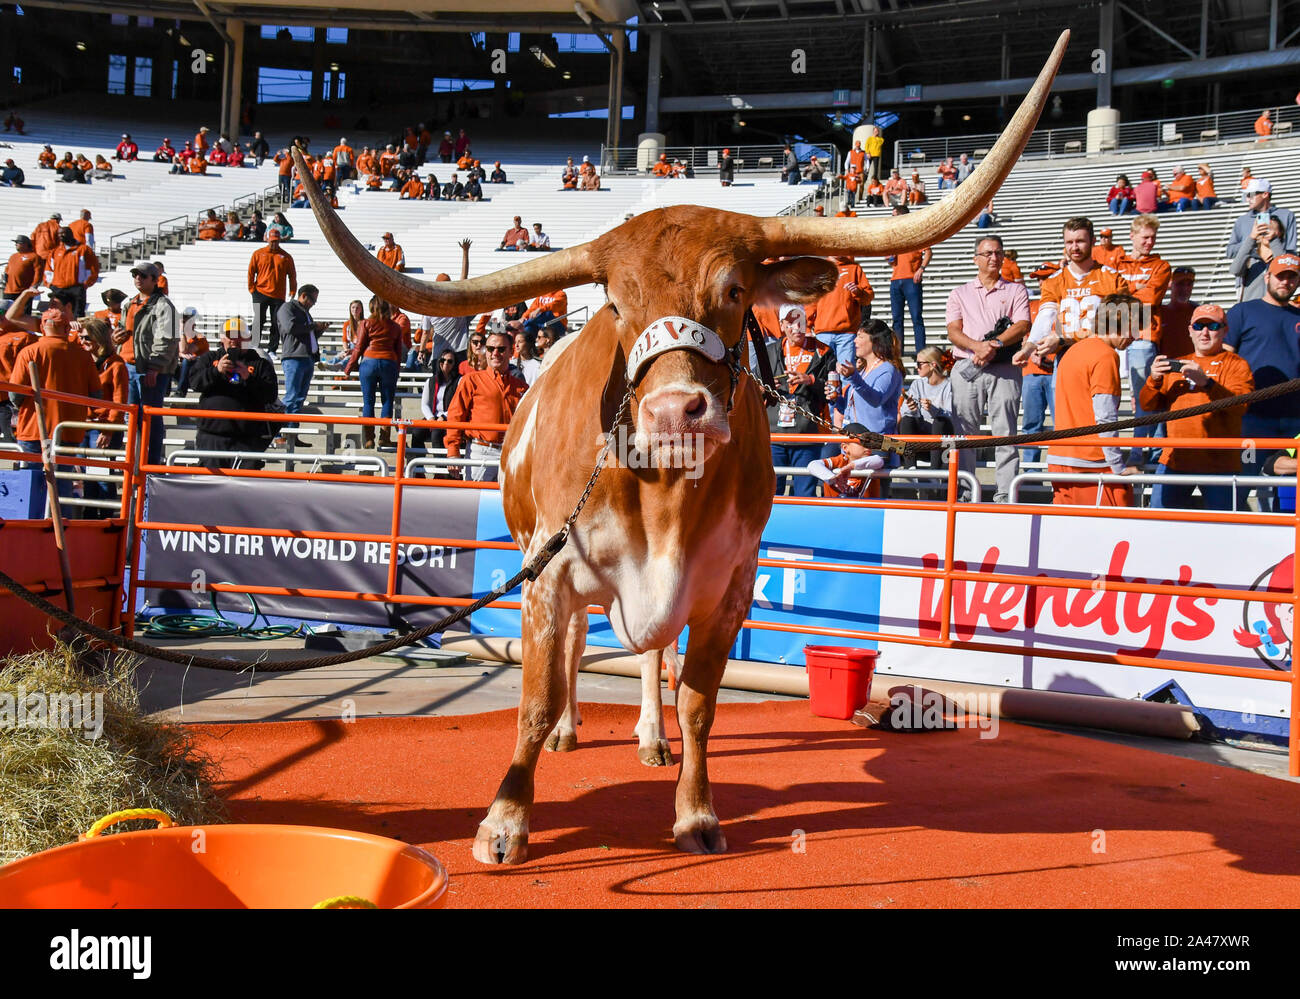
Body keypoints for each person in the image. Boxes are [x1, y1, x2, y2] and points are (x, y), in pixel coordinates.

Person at [1139, 304, 1254, 510]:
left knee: (1225, 528)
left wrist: (1208, 384)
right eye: (1199, 326)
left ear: (1225, 330)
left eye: (1212, 326)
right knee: (1160, 523)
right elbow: (1148, 405)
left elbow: (1241, 405)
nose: (1205, 332)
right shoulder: (1178, 363)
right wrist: (1154, 379)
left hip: (1220, 463)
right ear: (1190, 330)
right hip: (1176, 459)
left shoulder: (1237, 364)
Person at [945, 234, 1031, 503]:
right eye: (988, 253)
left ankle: (1005, 493)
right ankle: (965, 491)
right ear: (976, 259)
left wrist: (991, 344)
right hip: (967, 365)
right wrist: (977, 347)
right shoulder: (959, 293)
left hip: (1003, 367)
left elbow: (1022, 325)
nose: (994, 258)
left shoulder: (1016, 290)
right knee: (964, 433)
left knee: (1005, 432)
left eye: (998, 253)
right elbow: (952, 331)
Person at [1044, 293, 1140, 506]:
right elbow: (1105, 418)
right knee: (1110, 533)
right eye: (1135, 326)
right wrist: (1118, 468)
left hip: (1060, 458)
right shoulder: (1105, 355)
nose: (1137, 335)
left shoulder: (1074, 350)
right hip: (1089, 463)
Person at [1225, 254, 1300, 510]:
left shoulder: (1298, 316)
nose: (1286, 282)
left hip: (1294, 420)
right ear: (1267, 276)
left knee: (1290, 484)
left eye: (1292, 277)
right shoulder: (1243, 311)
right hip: (1251, 417)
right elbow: (1224, 360)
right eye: (1281, 276)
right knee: (1240, 483)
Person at [8, 308, 101, 514]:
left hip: (35, 430)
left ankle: (31, 526)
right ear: (68, 328)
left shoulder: (29, 352)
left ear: (43, 327)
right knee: (62, 484)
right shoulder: (82, 356)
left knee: (31, 483)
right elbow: (96, 396)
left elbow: (15, 396)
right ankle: (61, 530)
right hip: (68, 430)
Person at [758, 304, 834, 496]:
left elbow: (833, 392)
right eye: (790, 323)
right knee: (771, 492)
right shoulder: (769, 351)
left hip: (806, 433)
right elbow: (751, 385)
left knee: (805, 493)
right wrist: (763, 388)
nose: (796, 328)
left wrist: (811, 380)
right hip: (775, 434)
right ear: (782, 325)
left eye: (800, 322)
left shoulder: (823, 351)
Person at [1113, 214, 1171, 463]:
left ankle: (1140, 452)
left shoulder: (1161, 265)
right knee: (1110, 395)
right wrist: (1133, 292)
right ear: (1132, 235)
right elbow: (1109, 294)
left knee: (1145, 396)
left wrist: (1125, 294)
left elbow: (1151, 298)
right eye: (1145, 237)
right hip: (1114, 334)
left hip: (1143, 337)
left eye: (1153, 237)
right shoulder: (1116, 262)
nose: (1150, 242)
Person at [825, 320, 904, 496]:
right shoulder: (863, 370)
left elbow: (876, 399)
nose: (854, 341)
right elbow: (851, 407)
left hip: (877, 444)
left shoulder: (888, 370)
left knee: (874, 497)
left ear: (875, 341)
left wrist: (853, 377)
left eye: (860, 336)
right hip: (856, 444)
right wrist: (836, 399)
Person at [188, 317, 279, 470]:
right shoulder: (210, 358)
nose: (234, 341)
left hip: (247, 438)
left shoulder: (260, 363)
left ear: (248, 338)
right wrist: (216, 371)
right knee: (211, 485)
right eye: (230, 336)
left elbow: (270, 395)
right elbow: (194, 383)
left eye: (240, 336)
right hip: (212, 436)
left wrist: (248, 378)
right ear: (222, 338)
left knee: (243, 487)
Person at [444, 329, 528, 482]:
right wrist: (453, 450)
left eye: (501, 349)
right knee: (474, 503)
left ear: (511, 352)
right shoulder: (471, 380)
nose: (495, 353)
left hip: (512, 453)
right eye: (490, 348)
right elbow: (455, 416)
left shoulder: (522, 387)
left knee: (509, 505)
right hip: (480, 451)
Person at [124, 262, 178, 466]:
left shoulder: (165, 306)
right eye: (135, 275)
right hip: (130, 366)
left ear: (155, 280)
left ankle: (151, 466)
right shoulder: (130, 304)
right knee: (133, 421)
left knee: (150, 419)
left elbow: (167, 339)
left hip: (149, 369)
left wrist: (155, 367)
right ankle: (134, 463)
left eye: (143, 275)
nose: (138, 278)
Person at [79, 317, 130, 514]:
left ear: (99, 340)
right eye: (81, 337)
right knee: (88, 476)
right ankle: (89, 517)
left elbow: (119, 400)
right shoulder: (83, 361)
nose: (81, 342)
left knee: (101, 476)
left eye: (86, 338)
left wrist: (109, 429)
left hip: (102, 427)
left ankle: (106, 520)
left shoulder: (116, 365)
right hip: (83, 425)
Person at [343, 297, 407, 449]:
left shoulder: (365, 323)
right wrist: (396, 370)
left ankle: (369, 438)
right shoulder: (395, 327)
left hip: (369, 363)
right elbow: (398, 352)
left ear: (371, 307)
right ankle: (384, 437)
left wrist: (349, 368)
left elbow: (358, 348)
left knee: (368, 402)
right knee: (387, 402)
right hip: (389, 363)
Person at [808, 255, 872, 366]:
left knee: (846, 374)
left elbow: (868, 298)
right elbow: (811, 300)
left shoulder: (854, 268)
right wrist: (807, 327)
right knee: (822, 374)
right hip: (823, 333)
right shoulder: (819, 269)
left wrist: (858, 291)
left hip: (847, 333)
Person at [416, 239, 473, 360]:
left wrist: (421, 350)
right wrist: (465, 252)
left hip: (439, 353)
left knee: (439, 379)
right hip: (458, 352)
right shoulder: (457, 301)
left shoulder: (429, 307)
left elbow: (425, 333)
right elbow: (464, 278)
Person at [899, 346, 955, 468]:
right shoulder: (917, 384)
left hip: (942, 442)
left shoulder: (949, 385)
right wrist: (912, 409)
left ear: (932, 365)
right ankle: (910, 467)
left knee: (940, 422)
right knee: (907, 420)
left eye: (919, 364)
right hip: (922, 440)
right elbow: (903, 412)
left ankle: (935, 469)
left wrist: (933, 409)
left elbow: (952, 416)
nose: (916, 367)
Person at [277, 284, 326, 422]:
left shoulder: (305, 312)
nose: (313, 304)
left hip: (306, 357)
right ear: (303, 295)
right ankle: (281, 432)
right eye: (312, 300)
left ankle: (292, 433)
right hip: (294, 357)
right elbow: (290, 327)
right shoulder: (288, 308)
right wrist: (313, 326)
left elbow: (308, 335)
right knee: (292, 396)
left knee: (299, 399)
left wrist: (319, 329)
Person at [887, 205, 931, 351]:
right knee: (896, 319)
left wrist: (921, 269)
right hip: (895, 280)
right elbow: (891, 260)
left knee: (916, 318)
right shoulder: (893, 236)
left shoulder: (915, 234)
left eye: (894, 215)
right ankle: (898, 352)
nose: (892, 218)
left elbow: (928, 252)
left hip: (911, 280)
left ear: (902, 216)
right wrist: (889, 258)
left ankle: (921, 352)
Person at [247, 230, 296, 357]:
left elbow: (292, 275)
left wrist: (292, 290)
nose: (274, 243)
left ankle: (272, 349)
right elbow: (251, 272)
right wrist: (251, 288)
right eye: (272, 240)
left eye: (276, 241)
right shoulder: (258, 254)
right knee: (259, 319)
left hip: (278, 295)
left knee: (276, 322)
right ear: (267, 239)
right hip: (260, 292)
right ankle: (254, 344)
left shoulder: (286, 256)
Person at [806, 423, 886, 498]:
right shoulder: (840, 460)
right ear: (845, 448)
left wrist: (851, 466)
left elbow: (879, 461)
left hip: (865, 511)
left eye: (869, 442)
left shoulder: (871, 462)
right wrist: (833, 478)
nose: (867, 446)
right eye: (861, 441)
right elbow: (813, 464)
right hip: (836, 510)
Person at [411, 350, 462, 467]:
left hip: (450, 418)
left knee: (436, 433)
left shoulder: (460, 381)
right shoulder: (431, 381)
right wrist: (431, 418)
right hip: (433, 417)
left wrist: (444, 416)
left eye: (450, 361)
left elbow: (458, 405)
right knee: (416, 432)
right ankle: (417, 469)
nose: (446, 363)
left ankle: (441, 470)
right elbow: (425, 404)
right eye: (443, 360)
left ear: (455, 364)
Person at [1227, 179, 1296, 264]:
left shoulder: (1286, 215)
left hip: (1276, 273)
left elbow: (1291, 250)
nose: (1248, 199)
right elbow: (1230, 252)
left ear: (1265, 194)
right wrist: (1252, 243)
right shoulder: (1241, 220)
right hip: (1250, 275)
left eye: (1251, 194)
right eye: (1247, 195)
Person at [44, 227, 99, 317]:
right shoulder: (55, 252)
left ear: (71, 234)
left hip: (77, 288)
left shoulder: (84, 250)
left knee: (77, 315)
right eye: (59, 234)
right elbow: (48, 270)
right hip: (59, 289)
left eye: (63, 233)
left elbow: (93, 269)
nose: (60, 235)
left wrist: (85, 284)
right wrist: (50, 285)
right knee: (57, 315)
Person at [1232, 213, 1287, 302]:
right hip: (1251, 310)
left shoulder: (1286, 257)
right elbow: (1235, 270)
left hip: (1276, 310)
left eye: (1271, 228)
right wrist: (1251, 238)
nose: (1266, 231)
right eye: (1264, 228)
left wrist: (1273, 240)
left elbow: (1283, 268)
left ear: (1280, 233)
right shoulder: (1249, 257)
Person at [174, 307, 209, 400]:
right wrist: (180, 354)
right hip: (183, 374)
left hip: (197, 374)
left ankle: (180, 392)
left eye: (187, 321)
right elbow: (180, 352)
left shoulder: (201, 338)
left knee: (186, 361)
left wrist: (181, 330)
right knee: (168, 360)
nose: (184, 323)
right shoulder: (179, 338)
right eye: (183, 321)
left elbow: (184, 350)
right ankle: (165, 392)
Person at [4, 235, 42, 313]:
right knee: (6, 314)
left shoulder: (34, 257)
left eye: (18, 243)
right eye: (16, 243)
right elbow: (7, 271)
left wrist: (33, 286)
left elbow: (38, 273)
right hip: (9, 291)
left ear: (25, 244)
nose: (16, 244)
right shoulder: (13, 256)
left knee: (23, 314)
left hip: (24, 292)